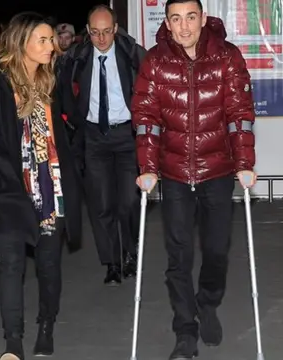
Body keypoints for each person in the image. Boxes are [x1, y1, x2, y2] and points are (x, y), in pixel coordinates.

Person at [132, 0, 257, 358]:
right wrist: (148, 167)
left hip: (216, 170)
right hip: (173, 174)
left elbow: (240, 114)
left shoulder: (227, 57)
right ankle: (185, 328)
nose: (184, 26)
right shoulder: (155, 61)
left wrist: (244, 162)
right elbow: (146, 118)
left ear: (203, 18)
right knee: (179, 255)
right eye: (176, 19)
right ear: (167, 23)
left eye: (190, 17)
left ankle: (208, 302)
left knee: (216, 251)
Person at [0, 12, 82, 360]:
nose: (52, 47)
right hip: (10, 187)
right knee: (11, 264)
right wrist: (7, 166)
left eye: (52, 39)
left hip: (51, 185)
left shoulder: (53, 77)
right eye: (44, 40)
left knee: (49, 263)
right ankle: (13, 341)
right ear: (22, 43)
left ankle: (46, 325)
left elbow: (70, 120)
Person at [58, 5, 146, 285]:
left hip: (126, 136)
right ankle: (112, 262)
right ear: (87, 30)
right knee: (101, 204)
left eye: (106, 32)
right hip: (93, 136)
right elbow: (63, 93)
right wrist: (76, 125)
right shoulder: (76, 57)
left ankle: (131, 253)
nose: (101, 39)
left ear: (116, 29)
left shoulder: (133, 54)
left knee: (128, 203)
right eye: (95, 33)